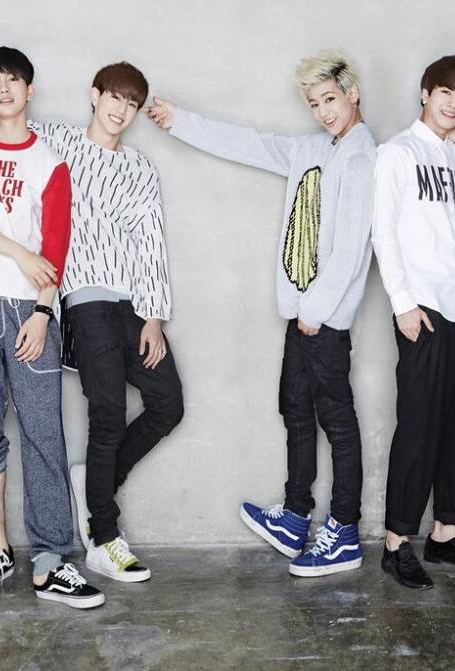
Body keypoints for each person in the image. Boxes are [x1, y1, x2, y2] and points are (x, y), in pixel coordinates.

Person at [147, 50, 375, 577]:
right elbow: (248, 143)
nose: (323, 111)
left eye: (330, 99)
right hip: (301, 314)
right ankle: (295, 516)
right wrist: (180, 121)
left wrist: (316, 311)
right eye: (314, 103)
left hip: (323, 319)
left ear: (353, 94)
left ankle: (343, 532)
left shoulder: (362, 159)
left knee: (337, 423)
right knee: (295, 409)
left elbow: (350, 250)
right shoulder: (313, 149)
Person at [0, 61, 182, 582]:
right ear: (95, 96)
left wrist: (153, 316)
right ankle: (104, 537)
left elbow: (151, 242)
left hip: (133, 305)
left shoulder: (140, 168)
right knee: (108, 414)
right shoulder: (57, 141)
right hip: (83, 301)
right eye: (114, 97)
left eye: (131, 103)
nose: (121, 110)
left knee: (168, 404)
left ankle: (95, 485)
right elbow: (5, 118)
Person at [0, 46, 103, 608]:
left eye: (14, 80)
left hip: (28, 309)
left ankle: (52, 559)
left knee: (42, 433)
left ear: (29, 90)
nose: (5, 89)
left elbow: (56, 242)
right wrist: (20, 254)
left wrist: (42, 310)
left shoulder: (50, 162)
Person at [371, 55, 455, 589]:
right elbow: (384, 231)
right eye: (445, 92)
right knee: (419, 427)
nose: (454, 103)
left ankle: (447, 532)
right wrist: (402, 303)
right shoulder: (397, 153)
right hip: (424, 308)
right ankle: (396, 543)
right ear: (425, 92)